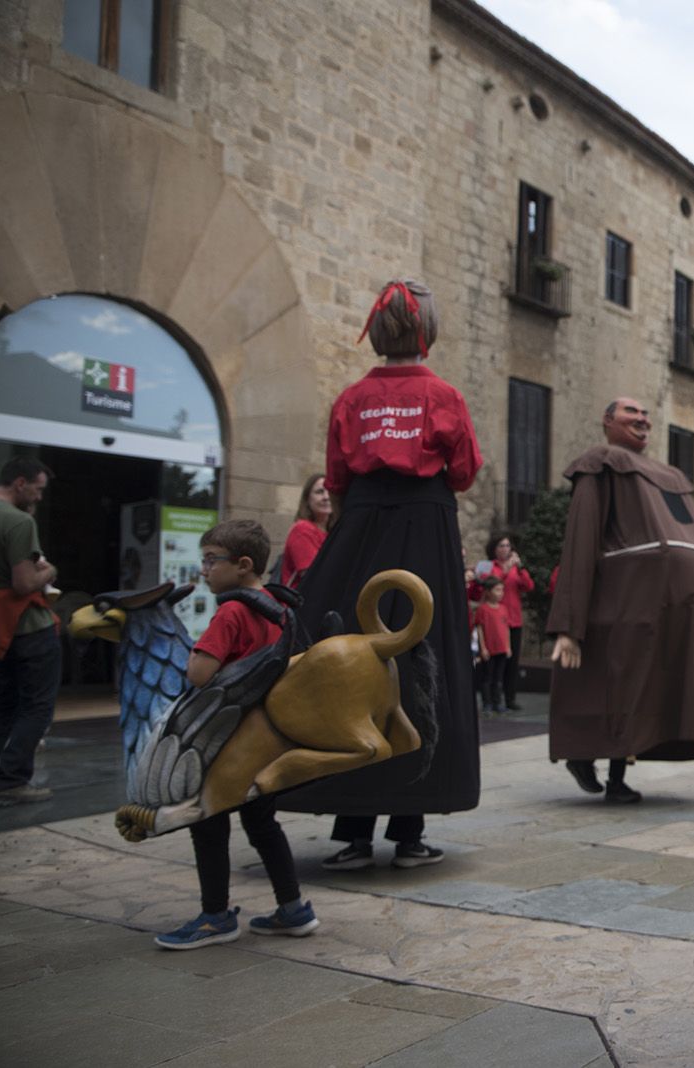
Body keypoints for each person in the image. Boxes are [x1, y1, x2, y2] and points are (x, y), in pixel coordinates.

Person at [277, 278, 482, 870]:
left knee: (346, 654)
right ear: (428, 330)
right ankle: (410, 829)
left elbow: (336, 479)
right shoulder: (443, 394)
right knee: (423, 657)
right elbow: (463, 471)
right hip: (425, 525)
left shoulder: (351, 398)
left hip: (361, 527)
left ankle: (354, 829)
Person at [547, 397, 694, 803]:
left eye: (646, 414)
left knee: (642, 690)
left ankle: (614, 776)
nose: (642, 419)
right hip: (620, 604)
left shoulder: (669, 475)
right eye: (631, 412)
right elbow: (581, 540)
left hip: (661, 607)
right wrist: (568, 626)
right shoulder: (602, 462)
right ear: (607, 420)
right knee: (618, 687)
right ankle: (591, 761)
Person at [154, 519, 318, 949]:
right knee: (263, 823)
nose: (203, 570)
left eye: (210, 560)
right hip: (268, 739)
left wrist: (196, 652)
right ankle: (293, 907)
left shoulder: (232, 611)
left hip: (226, 741)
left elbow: (200, 673)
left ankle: (215, 917)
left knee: (207, 822)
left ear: (243, 565)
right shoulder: (280, 607)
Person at [0, 456, 60, 806]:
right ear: (20, 483)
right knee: (37, 706)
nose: (39, 497)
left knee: (5, 702)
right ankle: (12, 781)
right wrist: (50, 572)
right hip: (27, 626)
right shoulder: (18, 521)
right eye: (38, 489)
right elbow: (24, 582)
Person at [471, 532, 534, 710]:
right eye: (501, 545)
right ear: (494, 549)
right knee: (493, 664)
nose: (505, 549)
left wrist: (520, 568)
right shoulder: (489, 567)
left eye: (508, 546)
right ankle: (491, 700)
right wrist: (506, 571)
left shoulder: (516, 567)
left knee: (512, 661)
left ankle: (510, 698)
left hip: (513, 619)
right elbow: (489, 586)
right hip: (493, 622)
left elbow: (528, 586)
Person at [278, 474, 333, 588]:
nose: (326, 497)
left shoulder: (330, 532)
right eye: (319, 492)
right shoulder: (302, 529)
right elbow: (311, 576)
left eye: (329, 491)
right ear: (307, 499)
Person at [474, 577, 511, 714]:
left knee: (498, 678)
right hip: (489, 650)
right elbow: (479, 628)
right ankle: (487, 704)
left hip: (501, 649)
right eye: (497, 590)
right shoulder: (483, 609)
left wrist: (508, 646)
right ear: (488, 592)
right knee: (487, 677)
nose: (501, 593)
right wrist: (483, 648)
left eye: (502, 590)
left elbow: (506, 628)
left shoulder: (503, 609)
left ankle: (497, 703)